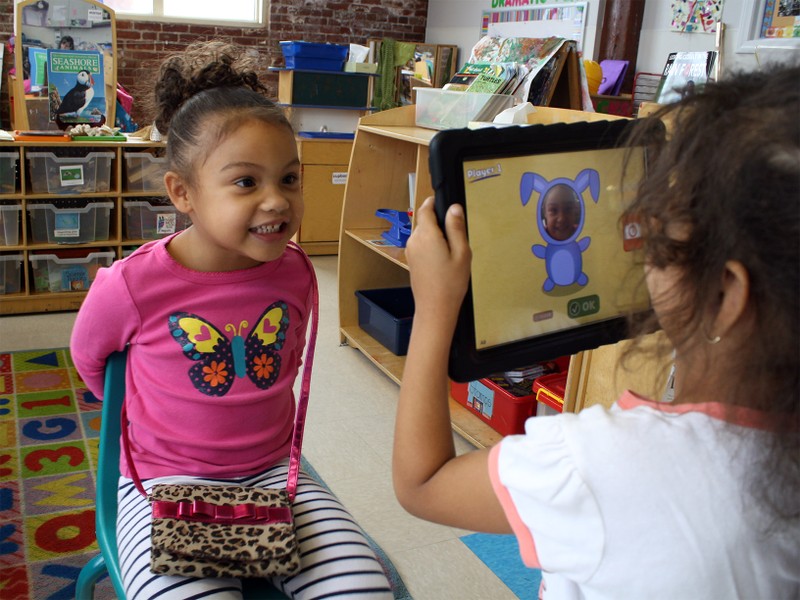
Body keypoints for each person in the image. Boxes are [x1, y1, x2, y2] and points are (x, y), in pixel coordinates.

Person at [393, 63, 799, 598]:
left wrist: (433, 308)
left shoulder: (603, 467)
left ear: (723, 294)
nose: (639, 235)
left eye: (663, 228)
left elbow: (423, 484)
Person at [70, 41, 392, 599]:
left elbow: (287, 363)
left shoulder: (294, 272)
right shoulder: (131, 284)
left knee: (365, 588)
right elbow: (92, 364)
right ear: (183, 193)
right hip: (163, 483)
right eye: (246, 182)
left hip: (275, 476)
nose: (276, 201)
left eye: (289, 179)